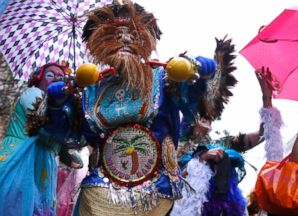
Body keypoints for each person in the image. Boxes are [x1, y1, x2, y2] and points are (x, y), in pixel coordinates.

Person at [72, 1, 219, 215]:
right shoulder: (94, 88)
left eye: (131, 32)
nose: (124, 39)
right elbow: (74, 136)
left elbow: (202, 92)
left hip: (153, 192)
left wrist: (197, 67)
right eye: (115, 33)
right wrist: (60, 103)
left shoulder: (163, 77)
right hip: (99, 191)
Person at [171, 66, 283, 216]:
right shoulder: (174, 146)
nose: (206, 115)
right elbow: (174, 181)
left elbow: (259, 136)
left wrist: (266, 99)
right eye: (199, 110)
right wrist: (202, 158)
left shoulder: (220, 144)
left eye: (208, 114)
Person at [0, 62, 84, 215]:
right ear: (39, 79)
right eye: (50, 75)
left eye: (60, 78)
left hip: (44, 164)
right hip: (20, 157)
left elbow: (75, 159)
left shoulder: (63, 107)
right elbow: (43, 119)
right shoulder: (33, 93)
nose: (55, 79)